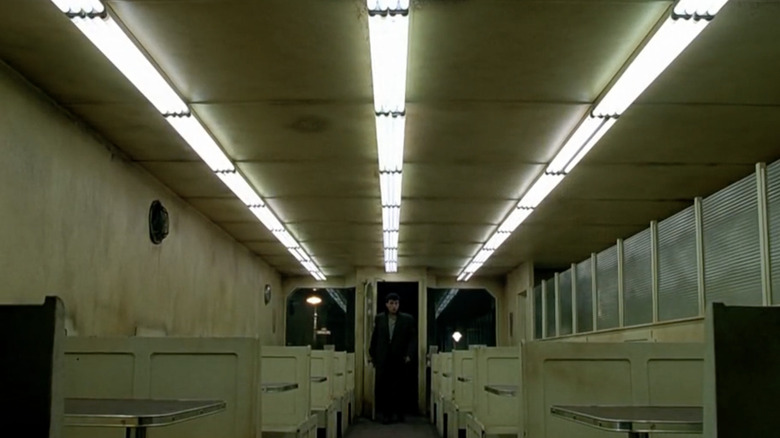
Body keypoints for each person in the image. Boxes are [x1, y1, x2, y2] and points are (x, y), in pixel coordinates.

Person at [368, 292, 416, 424]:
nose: (394, 306)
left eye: (396, 303)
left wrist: (409, 355)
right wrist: (372, 354)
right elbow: (375, 337)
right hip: (383, 358)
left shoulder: (407, 319)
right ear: (386, 305)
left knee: (400, 387)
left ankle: (400, 413)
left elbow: (412, 339)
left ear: (399, 304)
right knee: (384, 387)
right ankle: (386, 415)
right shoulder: (380, 318)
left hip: (400, 357)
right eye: (391, 303)